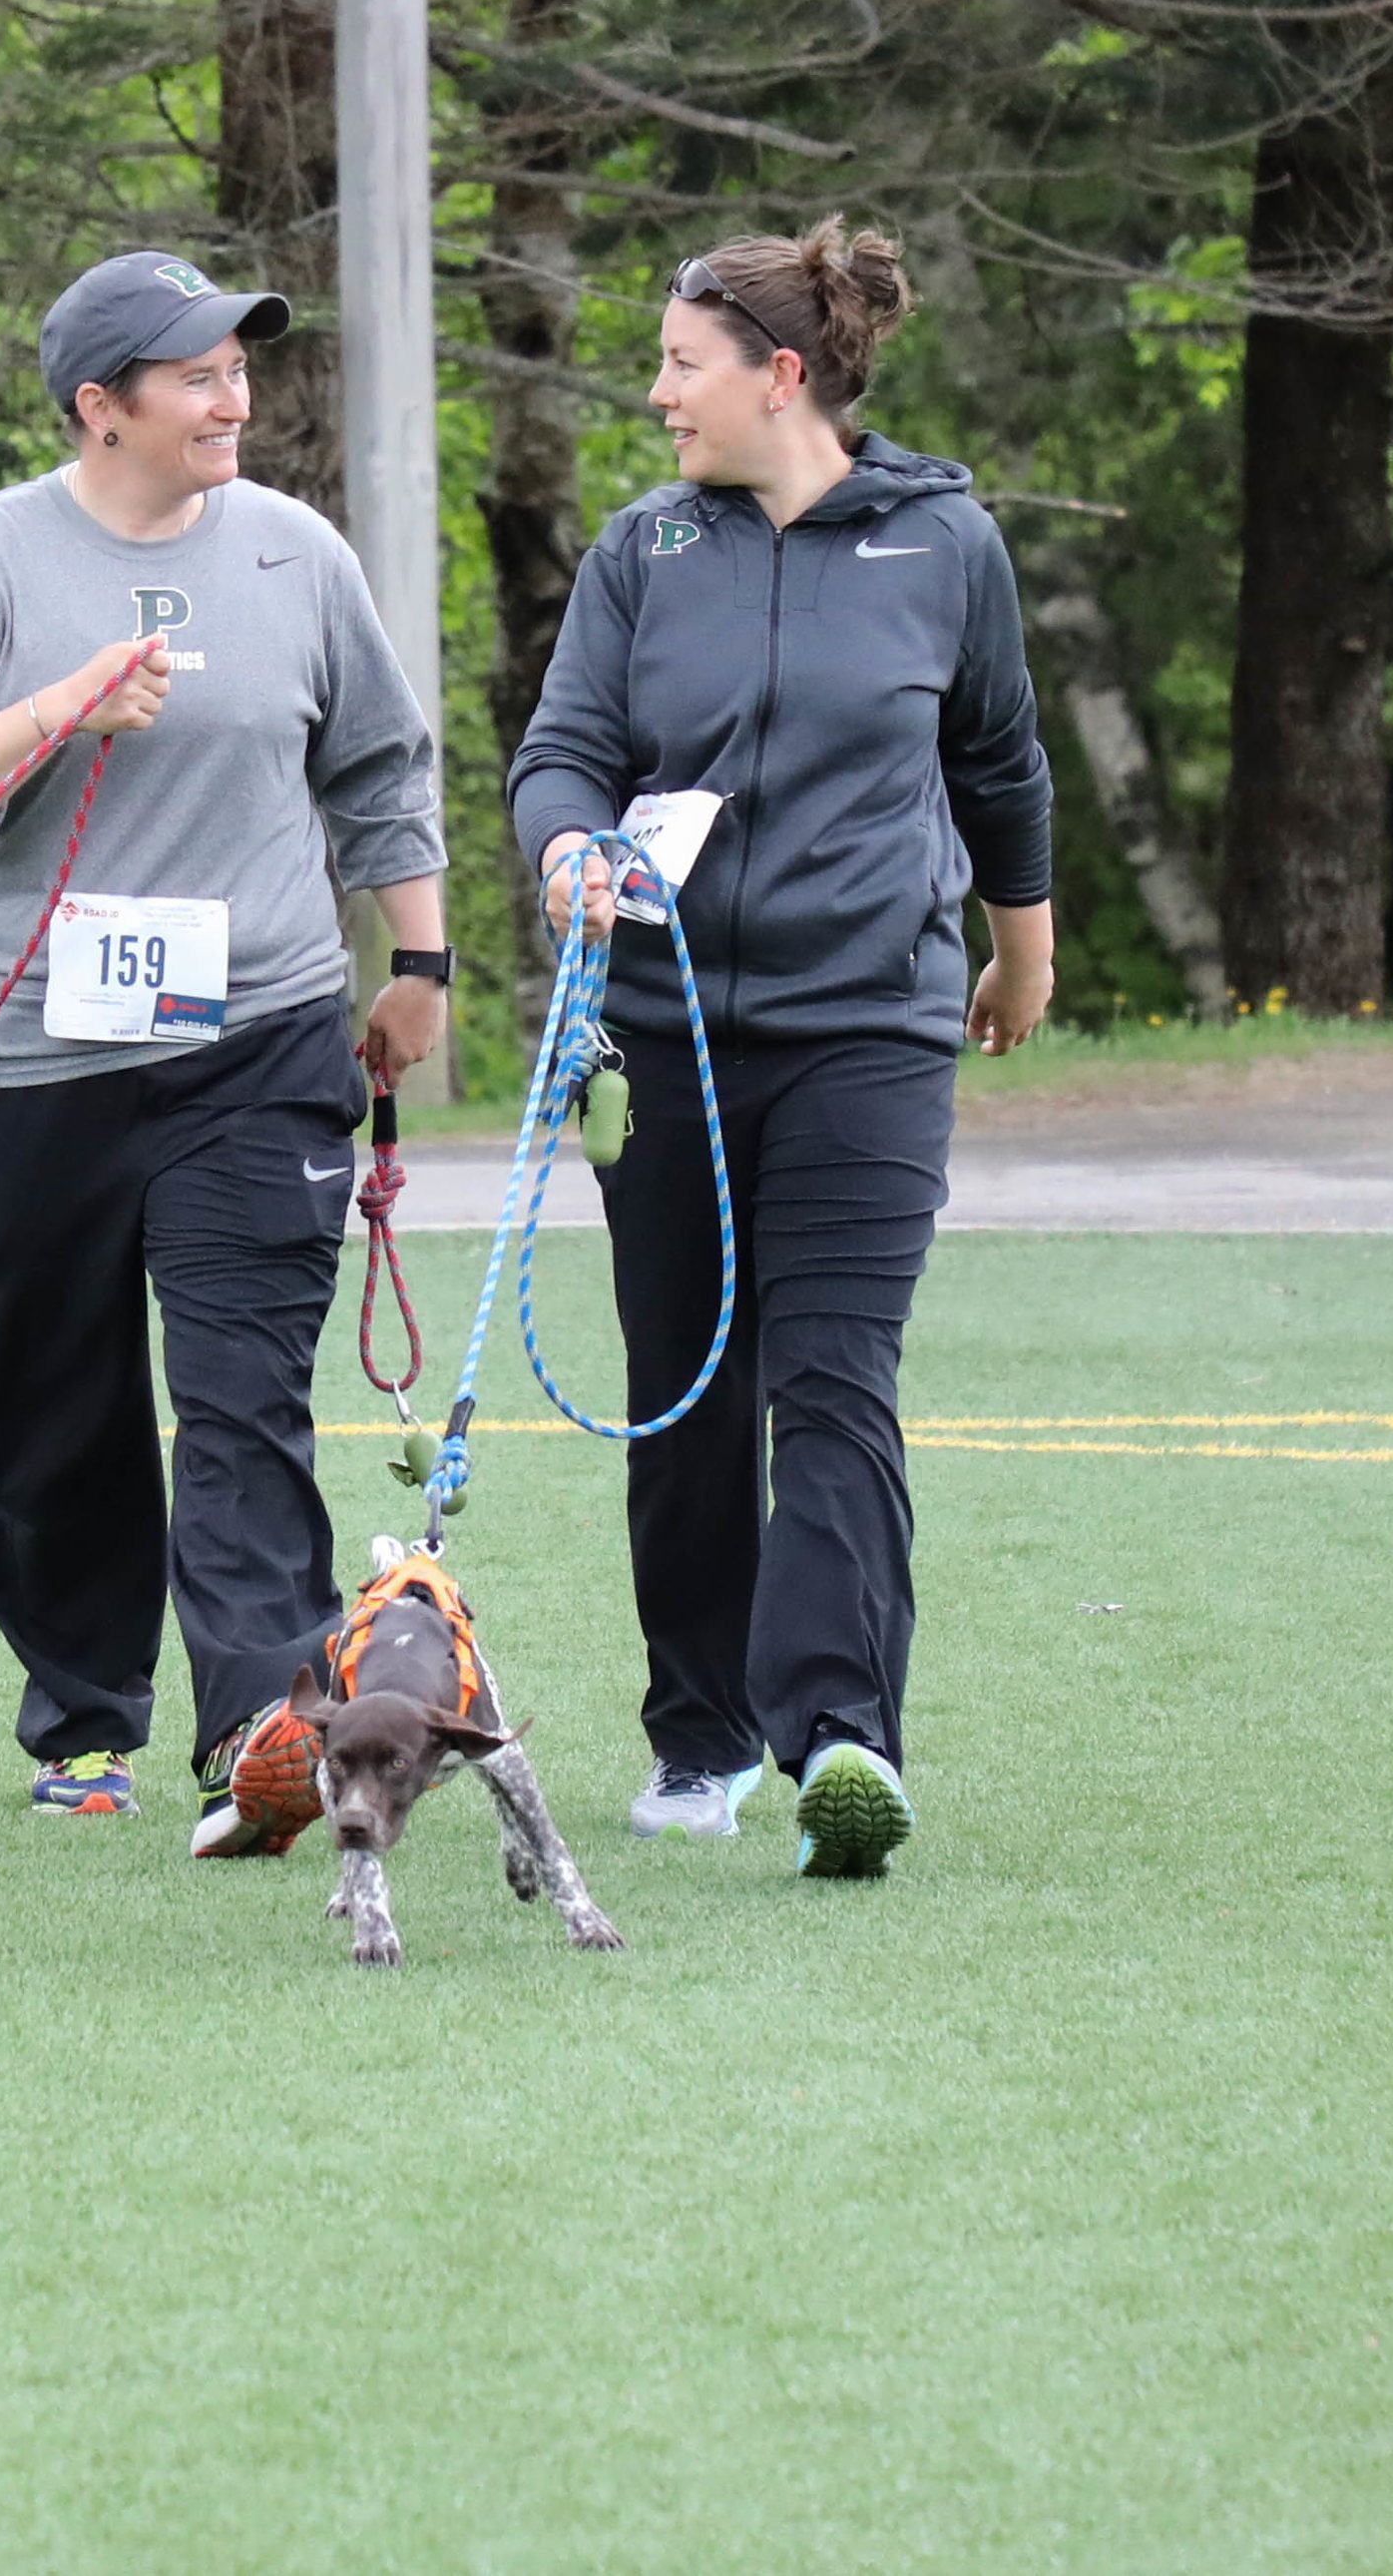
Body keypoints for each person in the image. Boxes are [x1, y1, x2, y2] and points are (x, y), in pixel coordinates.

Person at [0, 249, 452, 1847]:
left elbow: (383, 766)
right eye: (196, 376)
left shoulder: (294, 554)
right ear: (98, 406)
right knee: (58, 1400)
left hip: (258, 1037)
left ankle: (261, 1722)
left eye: (239, 371)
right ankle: (84, 1717)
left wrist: (422, 955)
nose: (232, 399)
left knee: (246, 1389)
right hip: (35, 1056)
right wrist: (60, 708)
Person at [504, 220, 1054, 1878]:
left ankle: (839, 1741)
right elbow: (565, 753)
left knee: (832, 1381)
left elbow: (1003, 764)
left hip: (868, 1033)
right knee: (688, 1401)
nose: (657, 391)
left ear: (781, 375)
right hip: (658, 1039)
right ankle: (700, 1735)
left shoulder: (947, 547)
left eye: (682, 362)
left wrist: (1021, 953)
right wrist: (561, 855)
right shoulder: (641, 552)